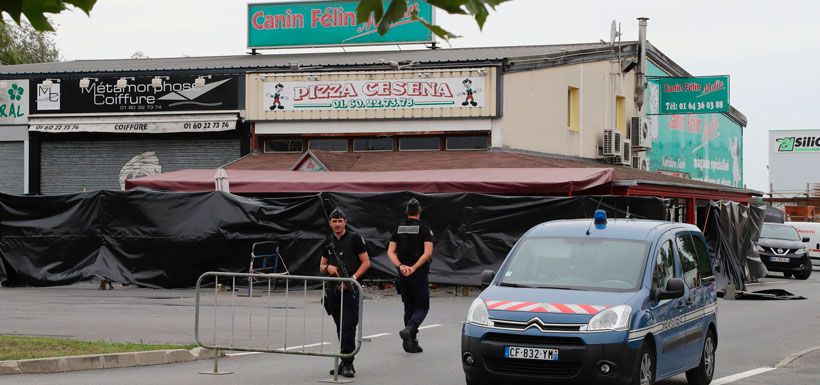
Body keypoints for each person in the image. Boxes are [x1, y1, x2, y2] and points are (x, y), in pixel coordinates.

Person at [319, 207, 370, 378]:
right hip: (333, 291)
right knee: (340, 328)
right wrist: (329, 267)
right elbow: (321, 266)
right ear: (330, 223)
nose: (337, 224)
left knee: (348, 326)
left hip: (351, 290)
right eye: (334, 221)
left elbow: (366, 263)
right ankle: (344, 360)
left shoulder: (355, 239)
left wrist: (352, 279)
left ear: (345, 222)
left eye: (340, 221)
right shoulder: (328, 242)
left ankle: (348, 364)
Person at [387, 198, 434, 353]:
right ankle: (410, 330)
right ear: (419, 211)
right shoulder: (425, 229)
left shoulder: (399, 229)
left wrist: (400, 266)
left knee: (409, 306)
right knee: (422, 306)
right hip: (417, 272)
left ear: (406, 212)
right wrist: (413, 267)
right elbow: (428, 253)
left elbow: (390, 252)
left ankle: (411, 341)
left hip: (402, 273)